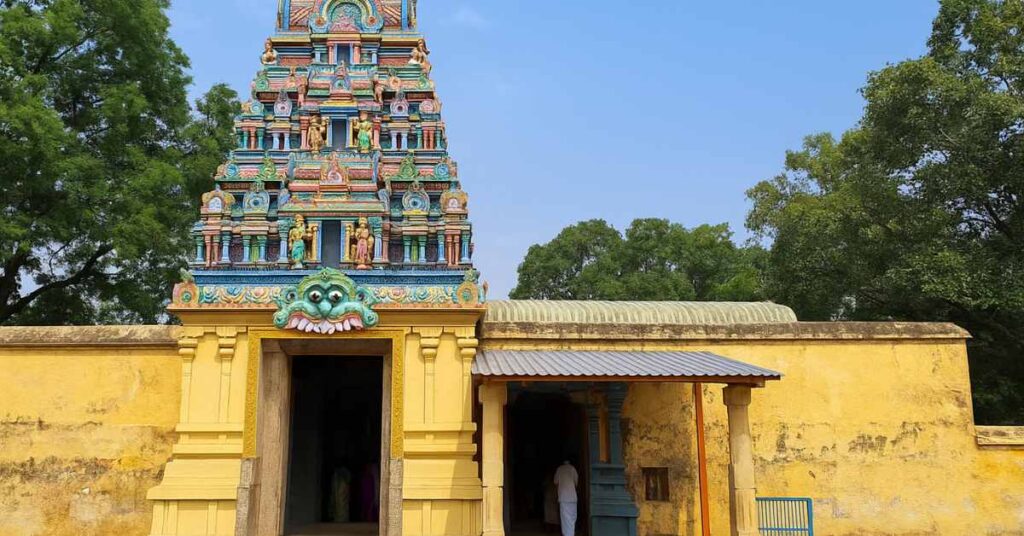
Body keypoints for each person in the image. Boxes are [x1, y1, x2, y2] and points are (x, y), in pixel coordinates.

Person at [553, 460, 579, 536]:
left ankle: (567, 534)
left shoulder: (559, 469)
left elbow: (555, 482)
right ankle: (571, 534)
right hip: (572, 497)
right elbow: (576, 482)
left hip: (563, 497)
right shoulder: (572, 468)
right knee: (572, 518)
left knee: (565, 519)